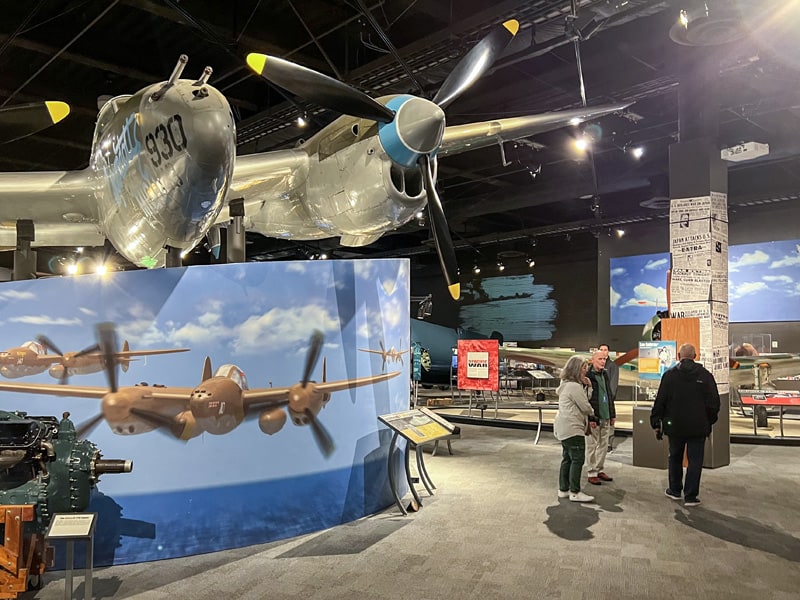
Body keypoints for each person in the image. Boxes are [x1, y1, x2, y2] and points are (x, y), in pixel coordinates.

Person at [650, 343, 720, 507]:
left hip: (675, 426)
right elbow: (714, 403)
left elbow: (660, 401)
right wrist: (709, 421)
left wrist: (656, 422)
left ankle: (675, 490)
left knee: (674, 457)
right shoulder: (706, 376)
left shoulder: (669, 376)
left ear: (678, 356)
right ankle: (691, 496)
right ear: (695, 356)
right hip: (698, 427)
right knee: (695, 461)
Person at [554, 356, 596, 502]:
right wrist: (592, 412)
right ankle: (575, 492)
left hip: (564, 428)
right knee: (577, 459)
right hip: (573, 428)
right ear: (576, 369)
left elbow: (584, 399)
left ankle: (563, 489)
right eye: (584, 368)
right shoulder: (574, 386)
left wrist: (588, 386)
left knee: (567, 459)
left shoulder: (565, 384)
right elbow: (585, 406)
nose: (586, 371)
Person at [585, 350, 616, 485]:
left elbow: (609, 395)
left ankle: (599, 469)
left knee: (603, 445)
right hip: (594, 417)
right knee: (592, 445)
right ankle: (591, 472)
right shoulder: (587, 376)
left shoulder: (605, 374)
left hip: (606, 416)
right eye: (600, 359)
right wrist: (590, 417)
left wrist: (612, 414)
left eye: (604, 359)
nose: (603, 361)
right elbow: (585, 399)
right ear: (593, 360)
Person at [598, 343, 619, 452]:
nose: (603, 351)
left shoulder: (612, 366)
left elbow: (613, 385)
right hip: (598, 401)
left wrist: (609, 399)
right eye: (601, 349)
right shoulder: (595, 366)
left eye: (605, 349)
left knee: (609, 422)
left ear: (608, 352)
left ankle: (609, 444)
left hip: (608, 400)